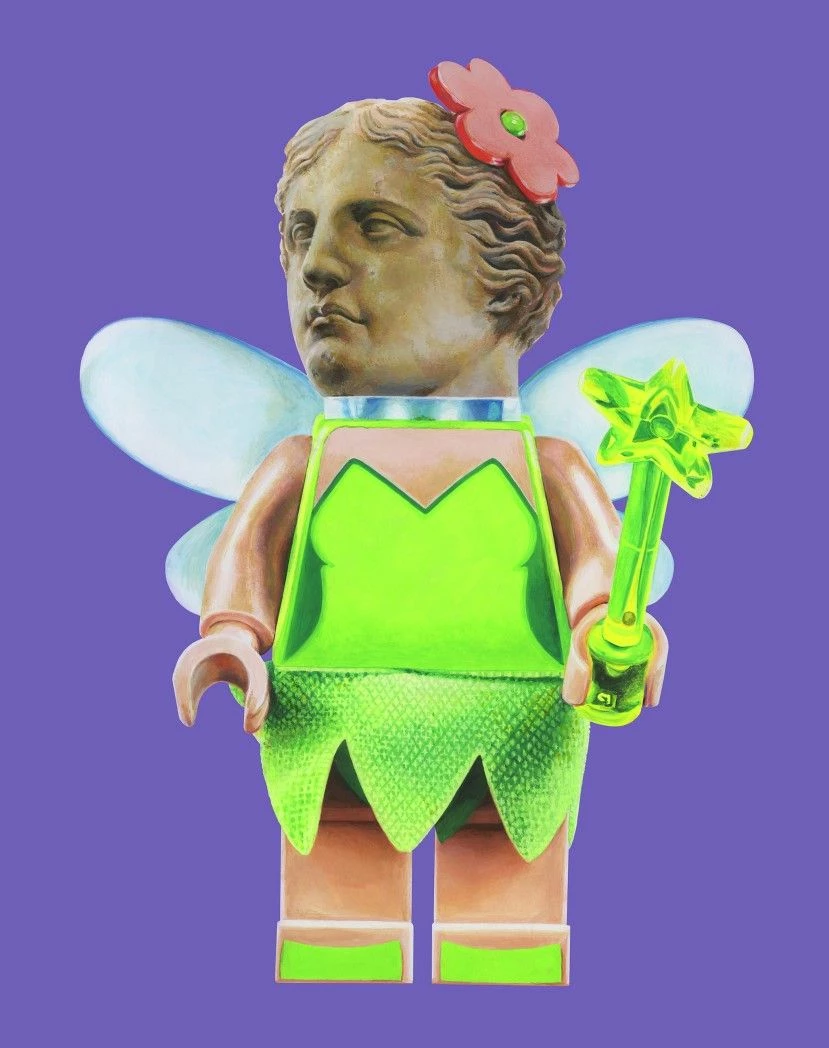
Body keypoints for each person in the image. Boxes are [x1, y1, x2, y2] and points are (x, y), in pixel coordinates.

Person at [173, 60, 667, 985]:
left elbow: (598, 587)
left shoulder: (548, 470)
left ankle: (505, 991)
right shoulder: (300, 467)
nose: (317, 264)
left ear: (502, 274)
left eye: (377, 226)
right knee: (337, 912)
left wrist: (610, 633)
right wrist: (231, 638)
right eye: (300, 231)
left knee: (508, 909)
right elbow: (248, 569)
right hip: (329, 715)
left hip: (518, 717)